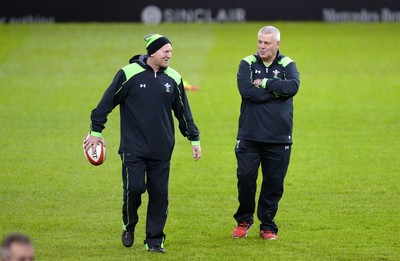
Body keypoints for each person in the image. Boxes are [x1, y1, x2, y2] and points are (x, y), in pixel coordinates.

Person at [84, 33, 202, 253]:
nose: (169, 55)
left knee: (159, 195)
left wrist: (193, 138)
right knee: (135, 188)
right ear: (153, 52)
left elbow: (184, 112)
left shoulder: (173, 78)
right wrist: (95, 131)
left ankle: (154, 241)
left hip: (162, 148)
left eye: (171, 52)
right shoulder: (128, 74)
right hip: (133, 148)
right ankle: (128, 224)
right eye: (166, 51)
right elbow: (105, 103)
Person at [232, 26, 300, 240]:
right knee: (245, 179)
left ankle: (267, 226)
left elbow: (293, 87)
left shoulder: (288, 64)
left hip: (279, 137)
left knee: (273, 183)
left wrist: (266, 83)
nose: (262, 46)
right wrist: (276, 93)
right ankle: (244, 220)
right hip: (249, 136)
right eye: (259, 42)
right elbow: (246, 91)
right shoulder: (247, 63)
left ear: (277, 44)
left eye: (266, 43)